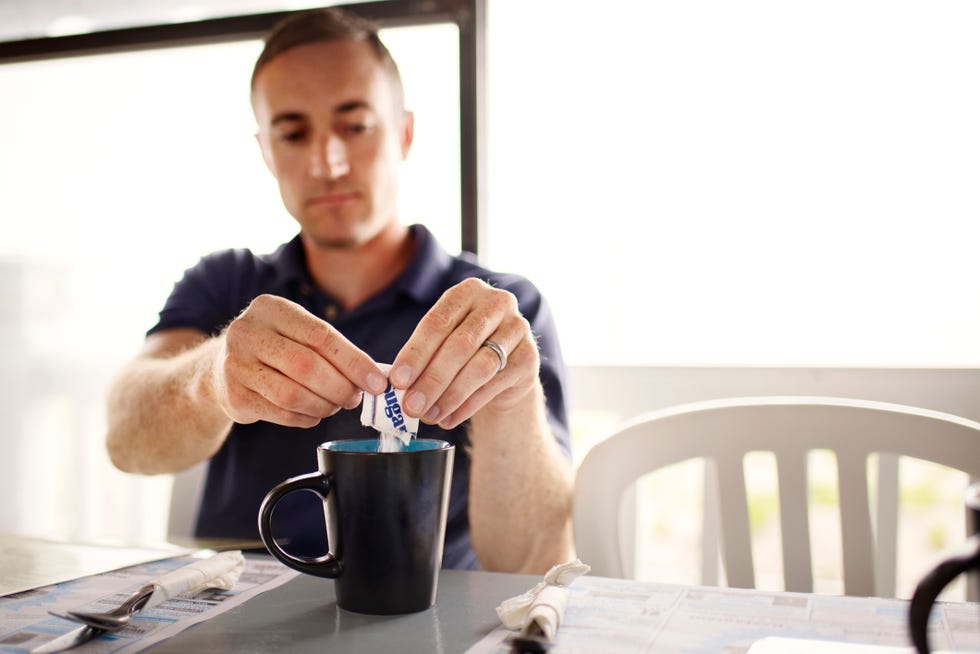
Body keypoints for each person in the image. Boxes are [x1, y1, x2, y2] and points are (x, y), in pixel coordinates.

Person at [105, 7, 574, 574]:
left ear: (404, 133)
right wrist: (213, 379)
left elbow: (534, 561)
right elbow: (125, 441)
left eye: (355, 125)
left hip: (428, 617)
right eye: (294, 132)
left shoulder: (499, 311)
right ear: (267, 152)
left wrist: (511, 398)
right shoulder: (226, 283)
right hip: (237, 616)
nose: (328, 163)